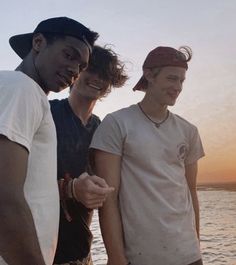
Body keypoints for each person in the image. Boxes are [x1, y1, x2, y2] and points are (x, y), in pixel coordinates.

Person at [90, 46, 205, 265]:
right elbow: (109, 198)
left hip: (188, 255)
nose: (178, 87)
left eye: (181, 81)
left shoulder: (188, 131)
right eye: (172, 78)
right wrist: (116, 258)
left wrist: (196, 247)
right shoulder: (117, 124)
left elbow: (191, 192)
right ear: (149, 75)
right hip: (141, 257)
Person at [0, 17, 98, 265]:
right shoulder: (22, 88)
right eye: (68, 55)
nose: (75, 71)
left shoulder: (18, 90)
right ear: (38, 42)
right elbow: (3, 195)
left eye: (81, 65)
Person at [50, 45, 128, 265]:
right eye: (90, 70)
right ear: (76, 71)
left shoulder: (102, 130)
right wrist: (70, 188)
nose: (97, 79)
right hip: (38, 251)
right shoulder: (46, 114)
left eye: (105, 75)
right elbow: (13, 182)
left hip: (82, 253)